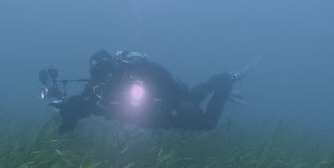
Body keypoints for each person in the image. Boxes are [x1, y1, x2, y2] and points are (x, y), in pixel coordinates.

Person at [50, 50, 240, 133]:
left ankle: (225, 84)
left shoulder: (134, 74)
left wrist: (176, 101)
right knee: (190, 97)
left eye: (102, 71)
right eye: (96, 73)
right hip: (160, 113)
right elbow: (85, 102)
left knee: (208, 123)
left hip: (168, 109)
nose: (99, 77)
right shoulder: (100, 84)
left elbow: (159, 78)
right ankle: (215, 82)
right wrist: (68, 113)